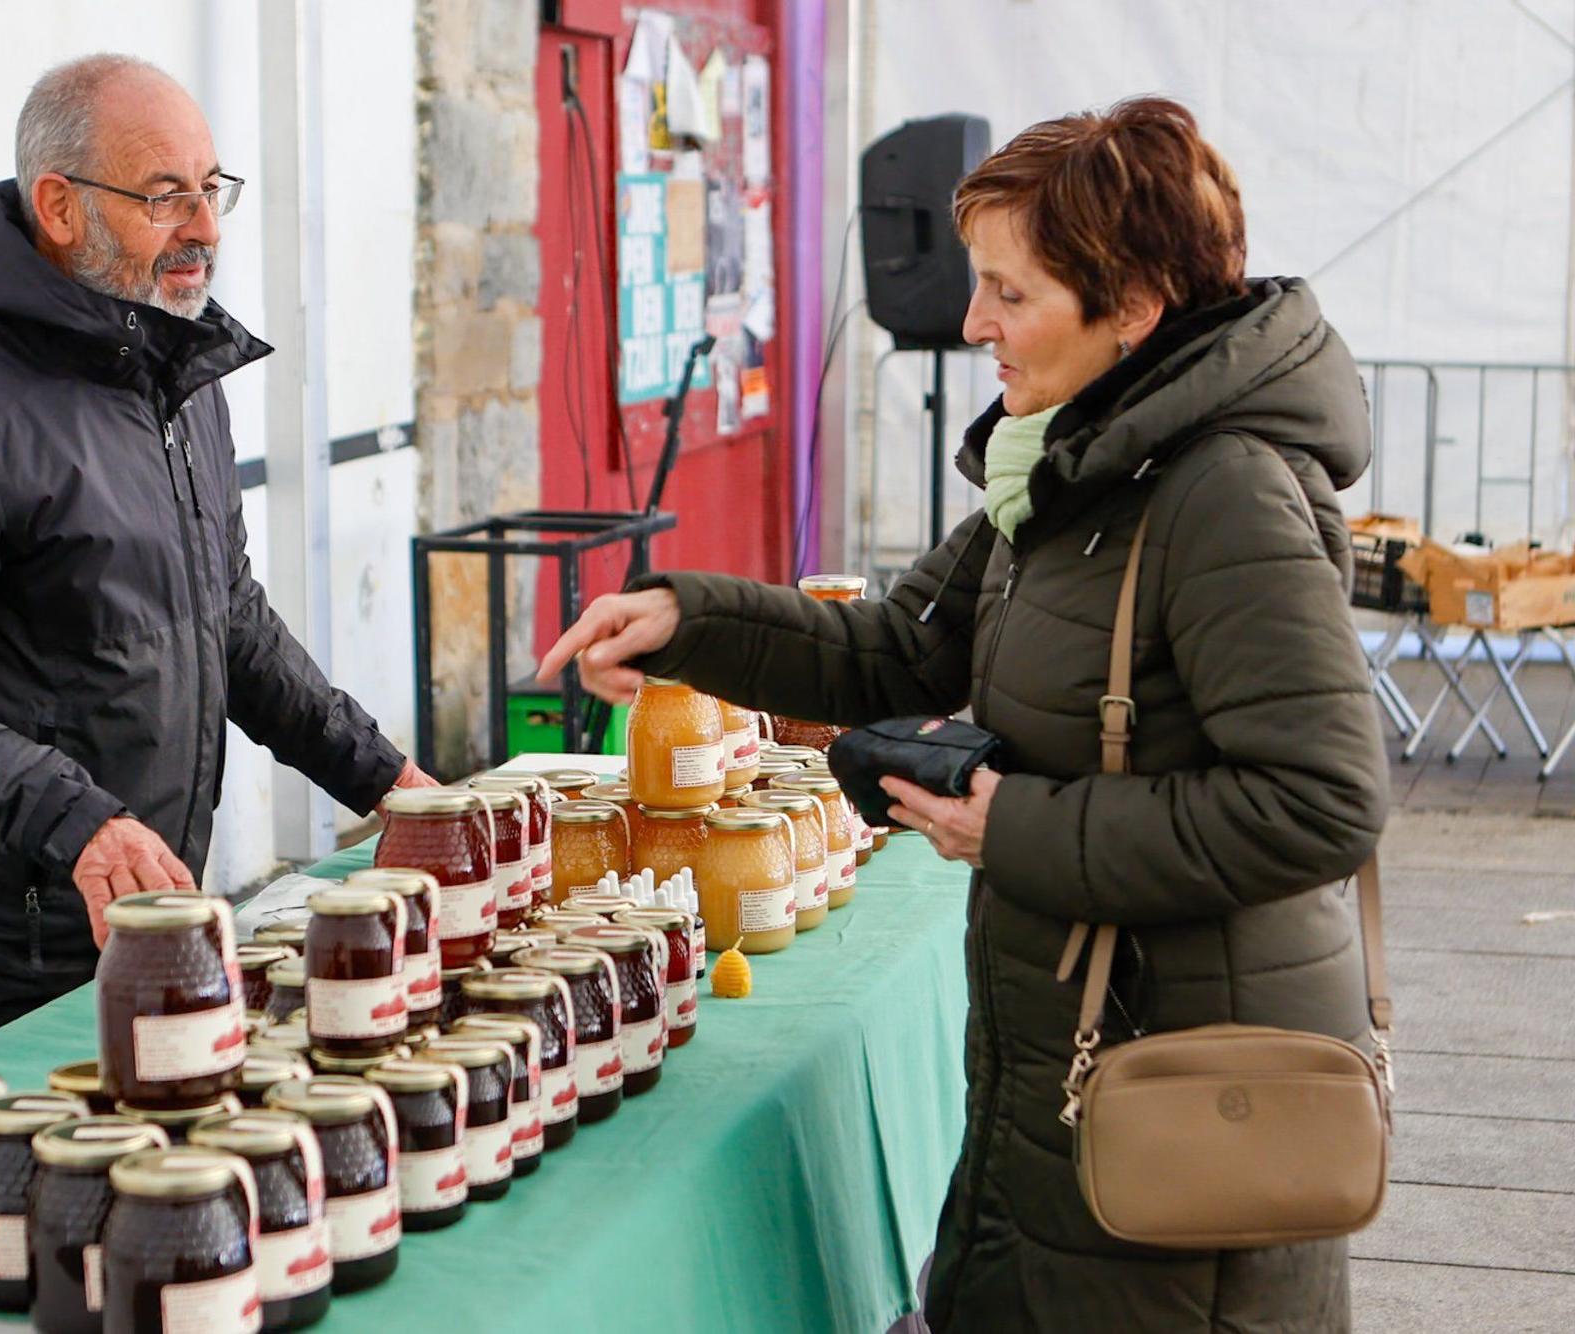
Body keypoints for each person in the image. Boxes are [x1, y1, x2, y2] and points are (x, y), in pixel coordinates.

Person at [542, 97, 1386, 1332]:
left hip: (1186, 1109)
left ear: (1134, 309)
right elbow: (897, 647)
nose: (972, 321)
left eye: (1011, 292)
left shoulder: (1224, 494)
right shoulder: (1070, 464)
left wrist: (1016, 827)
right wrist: (691, 621)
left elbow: (1319, 803)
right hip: (1067, 1082)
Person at [0, 54, 434, 1093]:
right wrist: (77, 817)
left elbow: (225, 617)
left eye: (210, 189)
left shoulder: (172, 372)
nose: (204, 227)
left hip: (142, 940)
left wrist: (383, 779)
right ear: (57, 204)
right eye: (163, 195)